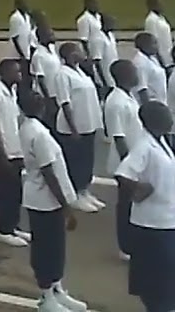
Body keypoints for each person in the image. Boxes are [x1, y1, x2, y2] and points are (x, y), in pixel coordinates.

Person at [18, 89, 86, 312]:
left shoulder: (31, 128)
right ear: (41, 107)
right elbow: (49, 172)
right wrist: (66, 207)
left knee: (54, 247)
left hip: (42, 198)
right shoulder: (40, 135)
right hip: (45, 200)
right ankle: (47, 296)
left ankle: (57, 289)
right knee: (48, 248)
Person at [115, 101, 175, 312]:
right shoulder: (144, 146)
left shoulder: (161, 142)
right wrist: (140, 189)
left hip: (166, 219)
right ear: (153, 121)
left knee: (167, 274)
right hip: (152, 224)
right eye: (166, 115)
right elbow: (123, 174)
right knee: (159, 275)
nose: (171, 118)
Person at [53, 42, 105, 212]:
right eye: (79, 51)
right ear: (70, 54)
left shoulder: (82, 72)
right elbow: (65, 102)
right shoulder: (62, 74)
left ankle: (84, 190)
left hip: (88, 123)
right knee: (75, 161)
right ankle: (74, 194)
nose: (83, 54)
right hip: (73, 127)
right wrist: (73, 128)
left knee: (87, 160)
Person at [0, 58, 28, 247]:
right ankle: (3, 230)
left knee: (16, 191)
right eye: (15, 72)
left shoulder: (13, 92)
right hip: (1, 153)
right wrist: (2, 156)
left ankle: (13, 225)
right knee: (6, 193)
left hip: (14, 148)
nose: (19, 74)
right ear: (3, 74)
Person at [106, 59, 144, 261]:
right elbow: (119, 137)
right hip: (126, 163)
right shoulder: (116, 102)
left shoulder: (128, 96)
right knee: (126, 205)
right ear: (124, 75)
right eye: (133, 71)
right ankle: (126, 246)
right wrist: (130, 167)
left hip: (135, 159)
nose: (137, 74)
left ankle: (134, 242)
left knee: (134, 204)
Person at [144, 0, 173, 73]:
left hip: (168, 54)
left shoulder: (161, 18)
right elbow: (152, 39)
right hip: (161, 58)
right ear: (153, 5)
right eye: (160, 4)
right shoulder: (151, 20)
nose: (163, 6)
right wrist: (159, 59)